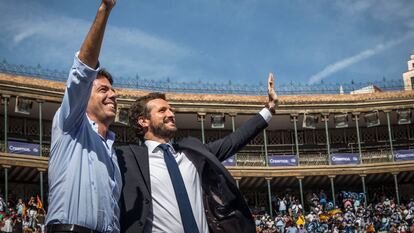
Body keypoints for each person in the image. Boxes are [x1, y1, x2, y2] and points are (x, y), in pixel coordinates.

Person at [117, 74, 278, 233]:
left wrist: (269, 109)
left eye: (171, 110)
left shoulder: (192, 152)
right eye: (162, 111)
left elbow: (233, 141)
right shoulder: (127, 158)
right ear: (143, 121)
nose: (171, 114)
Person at [45, 1, 121, 233]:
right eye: (103, 90)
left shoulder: (112, 151)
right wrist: (104, 11)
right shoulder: (69, 125)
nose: (114, 95)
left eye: (113, 90)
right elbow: (83, 71)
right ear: (83, 97)